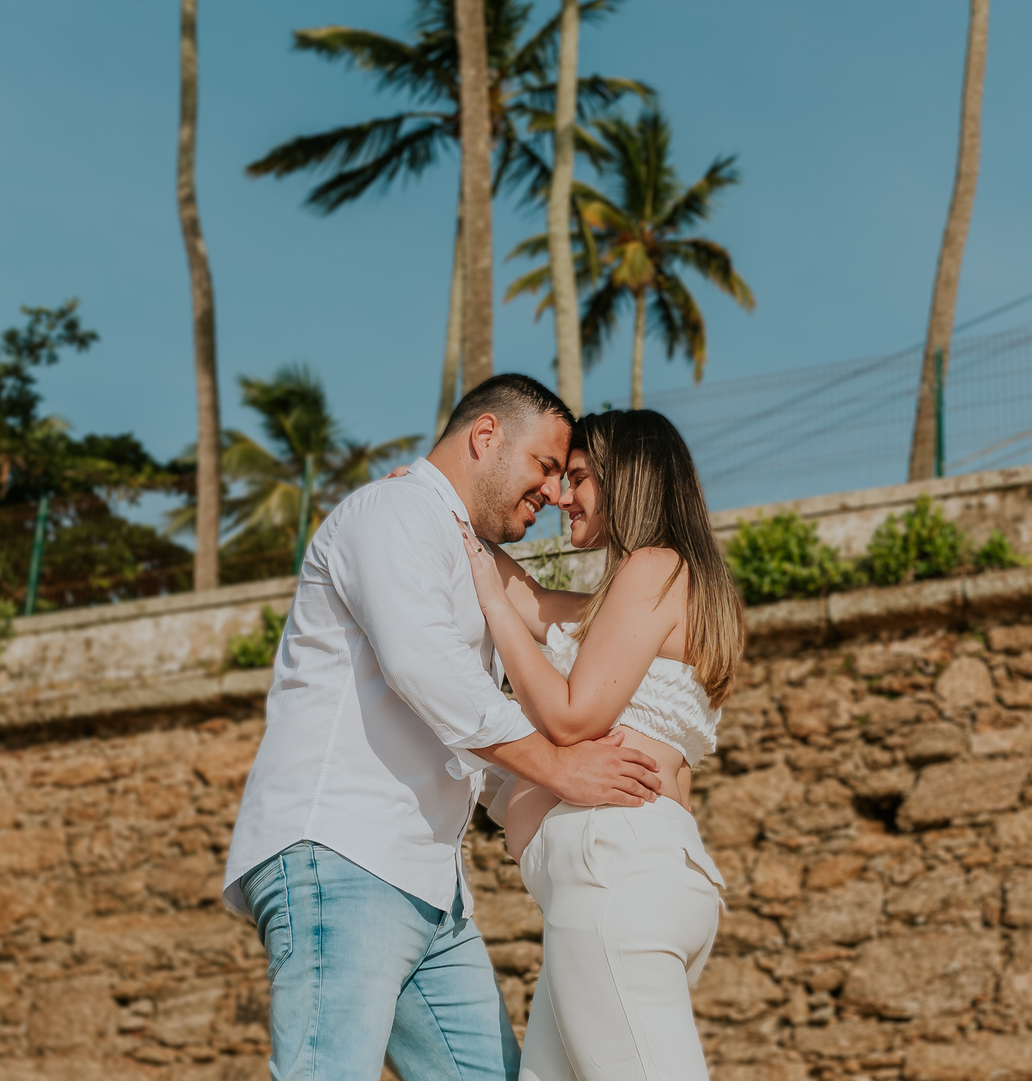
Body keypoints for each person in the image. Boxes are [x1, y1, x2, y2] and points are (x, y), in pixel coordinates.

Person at [223, 373, 662, 1081]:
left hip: (430, 887)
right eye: (546, 467)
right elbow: (422, 666)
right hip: (343, 851)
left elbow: (487, 731)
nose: (554, 493)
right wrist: (558, 766)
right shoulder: (392, 512)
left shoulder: (467, 553)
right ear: (485, 437)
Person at [457, 408, 744, 1081]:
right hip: (620, 885)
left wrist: (494, 613)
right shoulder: (663, 587)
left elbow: (571, 716)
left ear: (629, 481)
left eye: (580, 477)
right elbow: (531, 600)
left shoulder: (653, 567)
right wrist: (441, 509)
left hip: (613, 882)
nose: (560, 495)